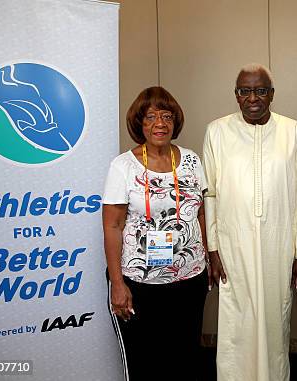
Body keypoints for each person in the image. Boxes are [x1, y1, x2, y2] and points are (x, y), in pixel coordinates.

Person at [203, 63, 297, 381]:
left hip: (279, 246)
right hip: (232, 244)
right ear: (236, 95)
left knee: (275, 321)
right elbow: (209, 194)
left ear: (271, 94)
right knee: (236, 322)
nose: (253, 97)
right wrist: (212, 248)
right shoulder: (217, 131)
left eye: (261, 90)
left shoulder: (294, 132)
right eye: (245, 91)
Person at [102, 86, 210, 380]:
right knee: (147, 361)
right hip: (140, 283)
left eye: (166, 116)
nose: (159, 123)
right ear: (139, 123)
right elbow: (112, 226)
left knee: (185, 356)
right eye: (150, 117)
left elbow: (200, 212)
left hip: (189, 278)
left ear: (175, 122)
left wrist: (208, 259)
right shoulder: (123, 166)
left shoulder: (191, 160)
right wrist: (117, 283)